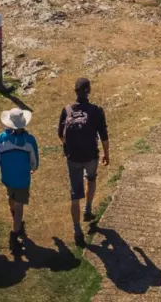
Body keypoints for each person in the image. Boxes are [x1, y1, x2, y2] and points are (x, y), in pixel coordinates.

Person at [58, 77, 110, 247]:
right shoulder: (95, 111)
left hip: (73, 158)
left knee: (74, 194)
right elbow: (103, 136)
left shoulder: (66, 110)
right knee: (92, 178)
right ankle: (88, 209)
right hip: (90, 156)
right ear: (89, 91)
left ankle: (77, 230)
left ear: (75, 91)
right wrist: (106, 154)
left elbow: (60, 134)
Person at [0, 107, 39, 251]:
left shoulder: (0, 140)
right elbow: (34, 160)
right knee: (19, 207)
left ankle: (16, 222)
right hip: (22, 179)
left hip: (8, 178)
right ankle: (14, 234)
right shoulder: (29, 141)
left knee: (11, 199)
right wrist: (33, 169)